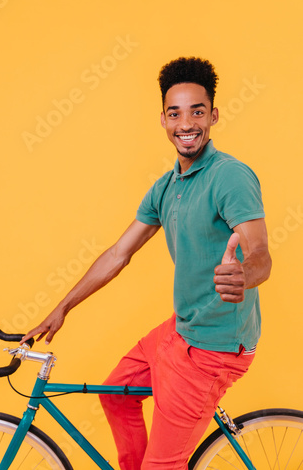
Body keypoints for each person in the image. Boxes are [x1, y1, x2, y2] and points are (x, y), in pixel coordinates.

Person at [21, 57, 272, 470]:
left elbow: (260, 252)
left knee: (164, 465)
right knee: (115, 394)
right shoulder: (167, 186)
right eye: (175, 113)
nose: (186, 123)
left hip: (214, 347)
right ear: (163, 120)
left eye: (197, 111)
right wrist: (62, 307)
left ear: (213, 115)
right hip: (180, 328)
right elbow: (118, 254)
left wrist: (244, 275)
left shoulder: (229, 176)